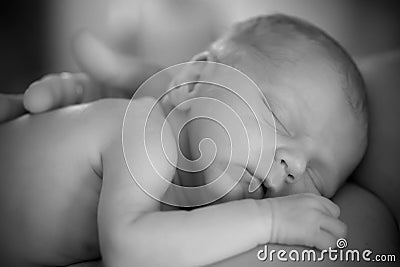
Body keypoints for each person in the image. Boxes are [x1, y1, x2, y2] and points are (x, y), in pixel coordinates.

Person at [0, 14, 396, 267]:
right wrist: (268, 221)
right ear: (192, 82)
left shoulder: (184, 196)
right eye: (278, 118)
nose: (293, 167)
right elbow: (129, 252)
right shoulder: (147, 134)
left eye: (316, 176)